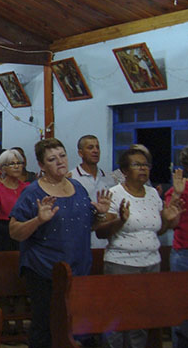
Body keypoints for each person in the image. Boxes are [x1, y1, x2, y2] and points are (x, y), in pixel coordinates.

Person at [9, 138, 111, 348]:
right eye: (52, 159)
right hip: (44, 271)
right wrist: (38, 220)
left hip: (78, 268)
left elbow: (86, 226)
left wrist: (100, 214)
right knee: (46, 328)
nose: (60, 162)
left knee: (77, 326)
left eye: (62, 156)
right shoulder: (33, 192)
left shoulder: (78, 188)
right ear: (42, 165)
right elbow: (14, 232)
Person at [96, 147, 183, 348]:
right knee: (118, 316)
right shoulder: (114, 194)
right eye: (137, 165)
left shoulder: (153, 193)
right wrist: (120, 221)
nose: (143, 169)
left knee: (141, 317)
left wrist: (169, 221)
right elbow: (101, 232)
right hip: (122, 264)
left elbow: (156, 230)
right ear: (125, 171)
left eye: (146, 165)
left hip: (151, 263)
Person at [70, 135, 116, 248]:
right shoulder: (71, 178)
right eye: (90, 147)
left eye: (97, 147)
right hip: (81, 239)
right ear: (80, 153)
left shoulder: (109, 178)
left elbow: (114, 211)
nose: (95, 151)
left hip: (105, 240)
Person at [165, 148, 188, 348]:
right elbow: (169, 221)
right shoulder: (177, 190)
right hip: (184, 253)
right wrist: (178, 194)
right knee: (181, 310)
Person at [0, 148, 29, 251]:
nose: (17, 166)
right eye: (12, 164)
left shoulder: (27, 187)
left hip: (23, 228)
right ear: (3, 168)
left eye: (19, 163)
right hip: (4, 232)